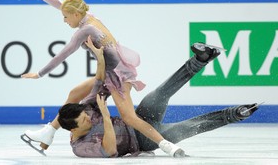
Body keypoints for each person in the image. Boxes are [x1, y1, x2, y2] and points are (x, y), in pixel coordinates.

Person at [19, 0, 184, 157]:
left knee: (129, 117)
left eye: (66, 17)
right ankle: (49, 132)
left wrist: (39, 74)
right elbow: (62, 4)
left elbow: (62, 55)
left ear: (75, 14)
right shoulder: (87, 15)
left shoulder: (85, 30)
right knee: (75, 93)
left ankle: (167, 146)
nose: (64, 21)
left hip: (117, 76)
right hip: (109, 72)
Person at [57, 42, 258, 157]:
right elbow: (109, 151)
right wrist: (107, 118)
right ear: (74, 130)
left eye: (87, 116)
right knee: (188, 127)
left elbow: (100, 82)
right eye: (85, 121)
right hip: (143, 140)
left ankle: (201, 59)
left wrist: (101, 58)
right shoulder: (81, 148)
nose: (89, 119)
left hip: (138, 117)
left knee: (160, 93)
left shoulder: (86, 109)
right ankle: (235, 114)